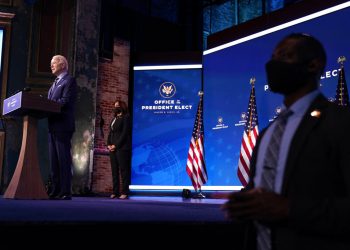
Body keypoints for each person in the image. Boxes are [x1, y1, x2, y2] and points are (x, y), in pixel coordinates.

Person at [222, 33, 350, 250]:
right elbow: (262, 192)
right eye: (273, 57)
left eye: (285, 56)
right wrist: (244, 203)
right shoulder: (268, 133)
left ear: (313, 65)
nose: (274, 64)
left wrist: (290, 209)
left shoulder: (340, 123)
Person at [47, 55, 77, 200]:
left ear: (63, 65)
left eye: (54, 63)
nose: (51, 65)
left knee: (63, 159)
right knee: (54, 161)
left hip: (63, 126)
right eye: (51, 63)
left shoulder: (69, 81)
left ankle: (65, 191)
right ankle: (55, 189)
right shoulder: (54, 83)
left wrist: (48, 104)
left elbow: (65, 101)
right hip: (52, 126)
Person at [107, 100, 132, 199]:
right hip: (112, 148)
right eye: (114, 106)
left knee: (123, 170)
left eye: (117, 106)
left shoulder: (126, 117)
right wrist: (108, 144)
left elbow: (124, 134)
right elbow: (111, 133)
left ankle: (124, 192)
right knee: (114, 171)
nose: (115, 107)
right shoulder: (115, 118)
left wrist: (116, 145)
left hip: (122, 148)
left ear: (122, 106)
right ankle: (115, 191)